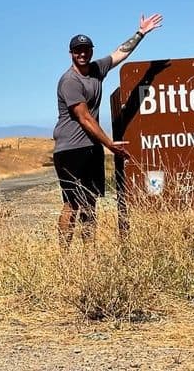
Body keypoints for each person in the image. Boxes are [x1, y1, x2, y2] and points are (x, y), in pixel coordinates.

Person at [53, 13, 163, 247]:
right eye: (77, 50)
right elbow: (84, 119)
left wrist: (141, 33)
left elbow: (119, 54)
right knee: (72, 203)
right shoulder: (70, 81)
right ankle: (63, 255)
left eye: (86, 49)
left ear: (91, 51)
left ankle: (89, 254)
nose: (82, 54)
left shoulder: (96, 70)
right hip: (71, 150)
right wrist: (109, 144)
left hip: (91, 148)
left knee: (91, 201)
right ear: (71, 53)